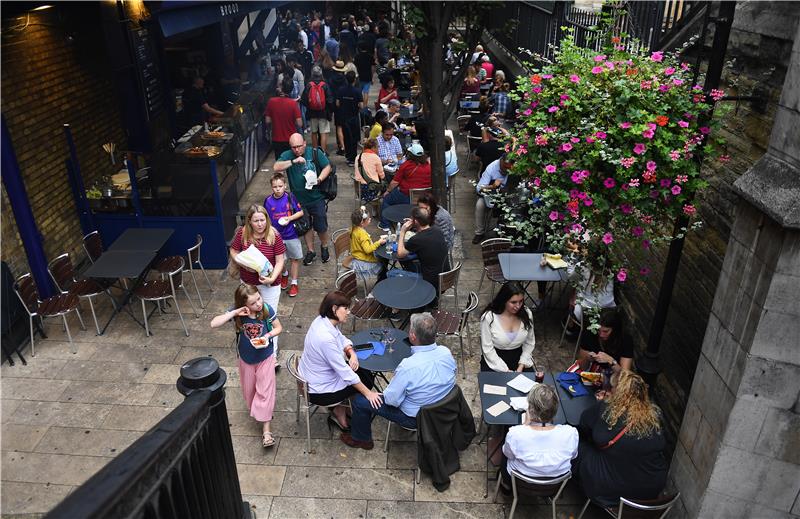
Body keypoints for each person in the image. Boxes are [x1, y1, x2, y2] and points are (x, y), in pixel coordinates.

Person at [341, 312, 456, 449]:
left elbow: (391, 401)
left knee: (360, 401)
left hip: (415, 419)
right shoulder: (445, 352)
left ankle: (361, 440)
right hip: (443, 410)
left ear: (412, 336)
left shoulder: (408, 366)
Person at [573, 371, 668, 507]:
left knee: (579, 446)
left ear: (617, 393)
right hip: (649, 489)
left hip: (613, 489)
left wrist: (600, 405)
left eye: (610, 388)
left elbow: (584, 422)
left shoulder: (607, 411)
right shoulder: (655, 416)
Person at [210, 284, 283, 448]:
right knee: (249, 391)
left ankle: (266, 431)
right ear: (244, 305)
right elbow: (214, 324)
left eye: (259, 298)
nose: (258, 304)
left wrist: (268, 336)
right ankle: (260, 412)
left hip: (265, 357)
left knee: (265, 392)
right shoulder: (238, 313)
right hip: (246, 359)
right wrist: (235, 312)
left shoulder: (266, 309)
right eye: (253, 303)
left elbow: (278, 327)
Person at [299, 291, 380, 431]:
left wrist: (351, 352)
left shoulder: (322, 320)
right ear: (334, 309)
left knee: (362, 371)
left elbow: (340, 337)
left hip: (313, 376)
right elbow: (345, 373)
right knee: (367, 379)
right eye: (346, 308)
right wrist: (369, 393)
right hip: (320, 392)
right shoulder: (325, 338)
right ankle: (339, 411)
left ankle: (342, 407)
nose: (349, 312)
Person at [229, 205, 286, 361]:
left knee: (269, 317)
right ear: (249, 221)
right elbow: (233, 251)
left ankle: (272, 355)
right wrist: (241, 263)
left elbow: (280, 260)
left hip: (270, 285)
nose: (260, 224)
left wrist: (272, 277)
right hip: (249, 284)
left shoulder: (274, 235)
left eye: (262, 220)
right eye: (256, 221)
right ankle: (253, 345)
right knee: (252, 316)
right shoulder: (242, 233)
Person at [499, 384, 578, 488]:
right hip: (554, 484)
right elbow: (573, 456)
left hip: (520, 481)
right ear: (555, 410)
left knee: (504, 450)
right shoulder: (571, 433)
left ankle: (506, 486)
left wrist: (524, 426)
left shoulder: (515, 434)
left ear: (530, 410)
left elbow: (508, 454)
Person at [273, 133, 332, 266]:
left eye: (299, 146)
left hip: (316, 197)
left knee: (321, 225)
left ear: (305, 143)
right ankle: (311, 251)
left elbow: (327, 166)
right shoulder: (288, 155)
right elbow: (276, 167)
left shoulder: (314, 152)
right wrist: (293, 161)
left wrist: (319, 179)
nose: (297, 150)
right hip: (298, 199)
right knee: (305, 226)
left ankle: (324, 246)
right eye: (293, 147)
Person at [263, 173, 304, 298]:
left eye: (280, 186)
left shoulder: (290, 198)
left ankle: (294, 283)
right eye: (275, 186)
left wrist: (289, 218)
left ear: (285, 186)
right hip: (276, 236)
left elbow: (300, 212)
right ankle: (285, 273)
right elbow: (266, 218)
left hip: (291, 234)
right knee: (279, 260)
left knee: (294, 259)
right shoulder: (268, 201)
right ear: (271, 187)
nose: (278, 189)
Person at [480, 282, 536, 372]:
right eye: (513, 302)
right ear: (504, 300)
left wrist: (521, 365)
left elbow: (529, 342)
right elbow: (487, 348)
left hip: (520, 357)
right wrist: (505, 370)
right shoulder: (489, 317)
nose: (518, 306)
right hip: (494, 359)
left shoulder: (527, 313)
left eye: (521, 301)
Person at [397, 207, 450, 297]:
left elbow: (400, 254)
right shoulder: (437, 230)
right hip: (445, 279)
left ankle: (406, 299)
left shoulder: (417, 239)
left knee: (392, 273)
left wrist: (402, 231)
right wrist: (415, 223)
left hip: (431, 283)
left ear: (416, 221)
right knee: (408, 263)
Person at [379, 143, 431, 230]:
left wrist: (387, 191)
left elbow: (394, 183)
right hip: (424, 197)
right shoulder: (429, 166)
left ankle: (385, 225)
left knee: (386, 199)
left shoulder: (406, 165)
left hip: (406, 196)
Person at [576, 308, 633, 373]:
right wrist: (587, 357)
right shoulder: (590, 332)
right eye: (598, 330)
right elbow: (582, 366)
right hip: (594, 368)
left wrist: (611, 361)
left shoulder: (625, 340)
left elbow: (625, 375)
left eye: (606, 331)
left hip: (615, 374)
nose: (601, 335)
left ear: (615, 330)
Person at [473, 155, 512, 244]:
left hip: (507, 196)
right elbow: (479, 188)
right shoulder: (492, 167)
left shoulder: (514, 169)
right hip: (491, 195)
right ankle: (480, 232)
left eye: (509, 168)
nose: (507, 170)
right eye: (505, 167)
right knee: (480, 205)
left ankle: (504, 233)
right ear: (501, 161)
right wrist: (493, 186)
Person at [265, 76, 302, 158]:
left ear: (281, 88)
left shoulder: (271, 102)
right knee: (291, 164)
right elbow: (299, 123)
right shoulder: (293, 104)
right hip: (291, 140)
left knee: (280, 164)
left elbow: (267, 121)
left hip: (277, 138)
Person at [301, 67, 334, 153]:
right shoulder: (325, 84)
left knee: (314, 132)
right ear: (321, 73)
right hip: (323, 112)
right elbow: (330, 100)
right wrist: (330, 110)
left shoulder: (309, 85)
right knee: (323, 133)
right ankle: (322, 152)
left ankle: (315, 152)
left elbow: (303, 99)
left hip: (312, 113)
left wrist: (309, 105)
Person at [349, 206, 387, 279]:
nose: (370, 219)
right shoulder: (362, 234)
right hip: (363, 261)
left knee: (382, 259)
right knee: (383, 265)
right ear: (362, 223)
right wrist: (379, 242)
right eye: (368, 219)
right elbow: (368, 250)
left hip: (357, 256)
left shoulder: (354, 228)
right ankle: (381, 281)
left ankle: (381, 279)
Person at [336, 70, 363, 166]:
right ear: (354, 80)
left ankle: (348, 156)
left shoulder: (341, 90)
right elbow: (361, 105)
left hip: (344, 117)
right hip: (354, 117)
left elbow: (337, 103)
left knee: (347, 137)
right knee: (354, 138)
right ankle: (353, 157)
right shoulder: (357, 91)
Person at [354, 138, 386, 203]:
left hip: (359, 189)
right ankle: (379, 208)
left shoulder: (358, 157)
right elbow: (382, 176)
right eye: (378, 147)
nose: (378, 149)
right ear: (373, 147)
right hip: (371, 188)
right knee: (386, 186)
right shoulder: (376, 158)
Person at [354, 42, 376, 106]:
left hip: (359, 76)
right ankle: (365, 107)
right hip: (368, 76)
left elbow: (355, 67)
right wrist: (372, 77)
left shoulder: (357, 56)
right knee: (366, 92)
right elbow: (372, 68)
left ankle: (359, 106)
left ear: (360, 48)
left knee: (359, 92)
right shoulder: (370, 56)